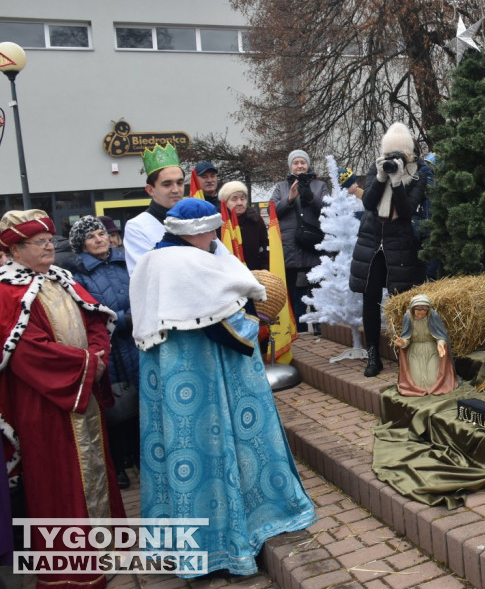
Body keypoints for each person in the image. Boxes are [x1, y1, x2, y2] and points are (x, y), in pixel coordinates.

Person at [130, 198, 316, 577]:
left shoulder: (155, 259)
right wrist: (257, 319)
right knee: (214, 448)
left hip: (170, 378)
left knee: (181, 452)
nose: (216, 236)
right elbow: (223, 326)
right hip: (203, 376)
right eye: (211, 229)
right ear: (193, 231)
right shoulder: (183, 263)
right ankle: (226, 541)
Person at [0, 209, 126, 589]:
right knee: (59, 483)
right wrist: (88, 365)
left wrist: (97, 356)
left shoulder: (61, 279)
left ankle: (105, 553)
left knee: (95, 473)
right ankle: (72, 571)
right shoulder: (7, 294)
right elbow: (27, 353)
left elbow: (95, 320)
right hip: (46, 405)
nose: (48, 247)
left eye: (49, 241)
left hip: (82, 392)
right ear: (16, 249)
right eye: (39, 243)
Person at [349, 124, 429, 377]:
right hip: (372, 240)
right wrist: (382, 176)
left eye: (399, 152)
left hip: (400, 242)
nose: (394, 157)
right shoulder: (376, 166)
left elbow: (407, 210)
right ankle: (373, 354)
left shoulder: (420, 172)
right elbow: (368, 202)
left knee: (402, 299)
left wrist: (397, 182)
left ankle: (407, 352)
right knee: (370, 298)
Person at [70, 215, 139, 490]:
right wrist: (123, 319)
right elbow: (89, 315)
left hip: (136, 342)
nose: (99, 239)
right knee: (115, 407)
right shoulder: (79, 276)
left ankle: (140, 456)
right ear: (82, 244)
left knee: (140, 403)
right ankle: (120, 462)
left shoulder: (127, 261)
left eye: (101, 233)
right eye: (91, 236)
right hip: (109, 347)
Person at [270, 150, 329, 332]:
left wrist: (311, 197)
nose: (300, 166)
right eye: (296, 163)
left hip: (314, 246)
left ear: (308, 164)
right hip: (291, 247)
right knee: (295, 292)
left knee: (318, 289)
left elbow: (328, 209)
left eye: (303, 162)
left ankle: (322, 329)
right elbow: (272, 211)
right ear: (290, 166)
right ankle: (298, 330)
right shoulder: (281, 187)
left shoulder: (320, 185)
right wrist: (289, 199)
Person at [123, 143, 186, 275]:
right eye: (167, 184)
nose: (176, 190)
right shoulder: (137, 227)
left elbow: (222, 257)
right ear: (150, 190)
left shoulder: (195, 217)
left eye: (179, 183)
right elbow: (143, 275)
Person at [392, 294, 458, 397]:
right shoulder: (408, 316)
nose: (421, 313)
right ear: (413, 309)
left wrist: (441, 344)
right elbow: (407, 337)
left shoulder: (433, 316)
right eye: (418, 311)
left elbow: (440, 335)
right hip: (415, 351)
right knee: (418, 383)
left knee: (432, 381)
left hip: (432, 350)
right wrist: (403, 343)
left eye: (424, 311)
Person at [219, 180, 270, 270]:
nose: (239, 203)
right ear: (225, 202)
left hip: (254, 272)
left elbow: (264, 248)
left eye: (242, 199)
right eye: (234, 199)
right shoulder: (219, 223)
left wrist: (264, 271)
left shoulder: (256, 220)